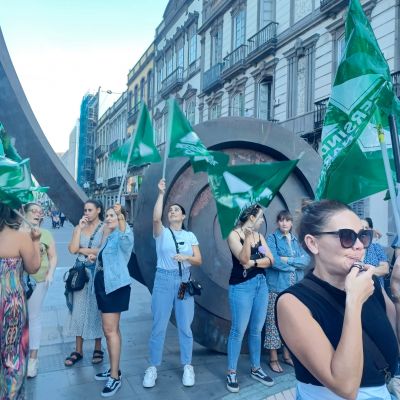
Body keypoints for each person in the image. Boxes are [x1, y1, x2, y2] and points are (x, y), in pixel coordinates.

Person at [276, 200, 398, 400]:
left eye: (363, 236)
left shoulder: (370, 282)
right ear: (313, 243)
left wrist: (397, 293)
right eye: (347, 237)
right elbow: (345, 386)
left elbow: (394, 346)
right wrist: (354, 302)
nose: (359, 246)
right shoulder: (293, 303)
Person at [143, 178, 202, 388]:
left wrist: (184, 258)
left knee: (185, 326)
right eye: (171, 210)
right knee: (159, 325)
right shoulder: (162, 234)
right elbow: (156, 218)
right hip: (164, 280)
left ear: (183, 216)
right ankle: (152, 367)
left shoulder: (190, 235)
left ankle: (188, 365)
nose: (173, 212)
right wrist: (161, 194)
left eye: (177, 210)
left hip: (184, 281)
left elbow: (198, 259)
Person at [225, 204, 275, 393]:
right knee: (238, 330)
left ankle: (256, 368)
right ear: (251, 218)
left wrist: (254, 263)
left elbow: (271, 260)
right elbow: (242, 259)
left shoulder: (260, 237)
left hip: (261, 285)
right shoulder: (234, 235)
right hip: (241, 287)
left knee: (256, 329)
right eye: (260, 217)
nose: (262, 220)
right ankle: (231, 371)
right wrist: (247, 239)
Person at [0, 203, 41, 399]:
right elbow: (33, 267)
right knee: (12, 353)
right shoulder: (20, 238)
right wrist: (35, 241)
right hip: (11, 303)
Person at [93, 204, 133, 397]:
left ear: (121, 218)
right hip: (104, 284)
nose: (109, 218)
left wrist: (120, 217)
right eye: (107, 215)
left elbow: (126, 240)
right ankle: (113, 368)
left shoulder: (123, 235)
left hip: (115, 287)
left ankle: (115, 377)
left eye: (113, 215)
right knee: (113, 330)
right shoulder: (107, 235)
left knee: (110, 331)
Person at [264, 210, 309, 373]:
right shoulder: (272, 239)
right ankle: (273, 358)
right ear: (277, 222)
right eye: (281, 220)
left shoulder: (296, 240)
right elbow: (273, 261)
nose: (284, 223)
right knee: (273, 322)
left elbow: (306, 260)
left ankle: (287, 355)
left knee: (289, 323)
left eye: (287, 220)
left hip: (294, 289)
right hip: (276, 287)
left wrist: (288, 260)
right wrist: (293, 266)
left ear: (291, 223)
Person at [65, 199, 104, 367]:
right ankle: (78, 350)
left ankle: (98, 347)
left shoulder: (105, 228)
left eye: (89, 210)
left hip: (97, 272)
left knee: (97, 310)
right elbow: (72, 249)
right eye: (85, 210)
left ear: (98, 210)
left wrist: (82, 249)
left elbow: (102, 249)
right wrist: (78, 230)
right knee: (78, 310)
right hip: (80, 273)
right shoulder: (78, 227)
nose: (86, 213)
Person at [20, 202, 57, 378]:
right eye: (33, 211)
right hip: (17, 281)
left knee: (33, 317)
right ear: (24, 213)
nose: (37, 214)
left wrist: (50, 272)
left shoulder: (46, 234)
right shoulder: (16, 233)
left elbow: (53, 256)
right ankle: (17, 356)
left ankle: (33, 360)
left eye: (40, 212)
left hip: (38, 281)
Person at [360, 218, 389, 283]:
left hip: (377, 288)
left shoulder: (376, 247)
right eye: (361, 228)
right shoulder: (352, 248)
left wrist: (364, 272)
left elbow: (385, 269)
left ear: (370, 231)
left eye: (366, 228)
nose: (364, 231)